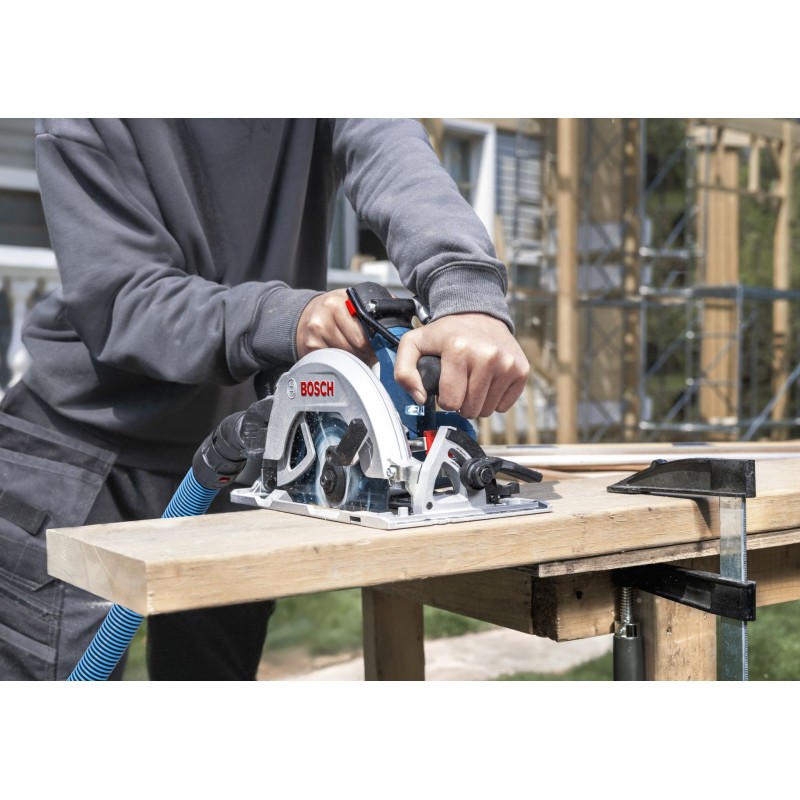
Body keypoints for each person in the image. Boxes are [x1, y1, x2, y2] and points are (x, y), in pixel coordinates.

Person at [0, 118, 530, 681]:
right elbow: (123, 298)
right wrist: (286, 318)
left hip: (241, 456)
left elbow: (390, 149)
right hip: (84, 451)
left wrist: (466, 295)